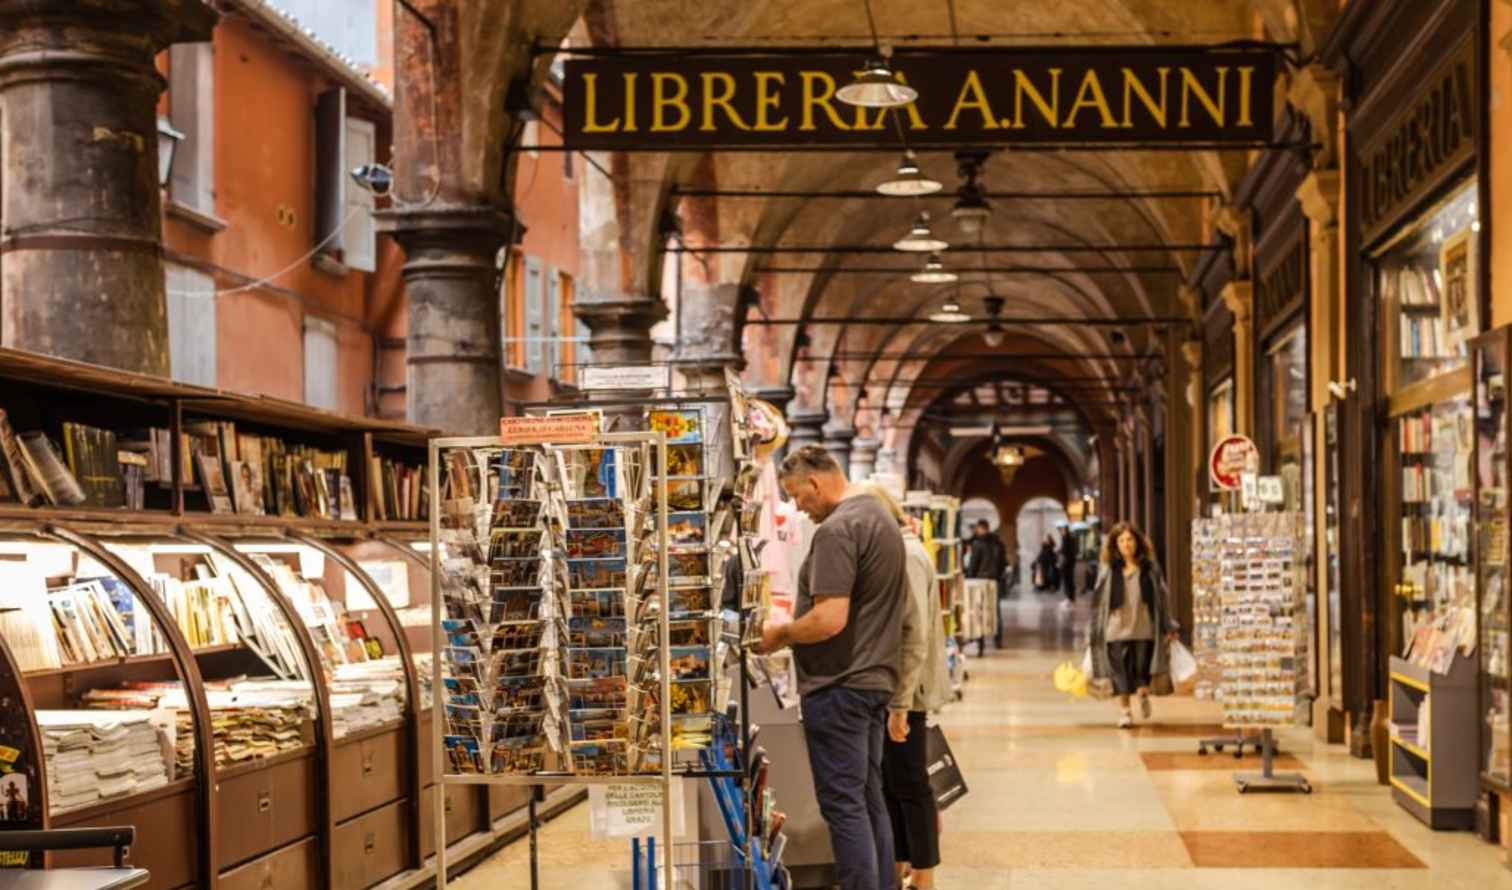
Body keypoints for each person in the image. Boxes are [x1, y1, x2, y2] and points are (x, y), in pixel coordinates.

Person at [756, 446, 908, 890]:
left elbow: (829, 619)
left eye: (797, 494)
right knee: (867, 798)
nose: (796, 506)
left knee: (843, 804)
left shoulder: (838, 530)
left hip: (839, 685)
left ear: (816, 482)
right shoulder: (881, 519)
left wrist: (779, 634)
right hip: (874, 680)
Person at [859, 486, 949, 890]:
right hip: (895, 688)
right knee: (891, 782)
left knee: (911, 783)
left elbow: (912, 633)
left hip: (905, 691)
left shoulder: (908, 556)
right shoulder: (900, 551)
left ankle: (924, 873)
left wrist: (901, 702)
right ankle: (899, 865)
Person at [1088, 523, 1180, 728]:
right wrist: (1093, 631)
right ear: (1115, 545)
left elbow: (1162, 598)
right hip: (1115, 628)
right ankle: (1125, 712)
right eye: (1121, 541)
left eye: (1130, 539)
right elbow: (1098, 602)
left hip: (1144, 628)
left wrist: (1169, 625)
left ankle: (1143, 693)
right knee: (1120, 672)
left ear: (1138, 542)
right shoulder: (1108, 570)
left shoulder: (1150, 568)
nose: (1126, 544)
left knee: (1141, 670)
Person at [1058, 529, 1078, 606]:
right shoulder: (1072, 539)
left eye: (1062, 530)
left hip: (1066, 564)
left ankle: (1068, 598)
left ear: (1065, 531)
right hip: (1070, 563)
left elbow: (1064, 551)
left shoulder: (1065, 539)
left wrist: (1060, 551)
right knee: (1070, 581)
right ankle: (1072, 598)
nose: (1061, 532)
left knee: (1067, 581)